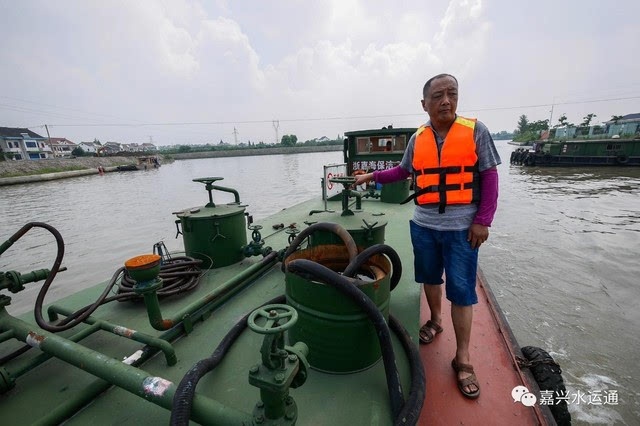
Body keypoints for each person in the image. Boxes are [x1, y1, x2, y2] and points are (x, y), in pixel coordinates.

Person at [353, 73, 500, 399]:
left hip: (462, 229)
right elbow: (402, 172)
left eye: (452, 94)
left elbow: (490, 176)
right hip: (423, 225)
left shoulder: (477, 131)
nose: (446, 101)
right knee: (430, 278)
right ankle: (435, 320)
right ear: (425, 104)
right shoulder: (418, 138)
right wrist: (371, 177)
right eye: (438, 96)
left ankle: (462, 358)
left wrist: (483, 221)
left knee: (462, 292)